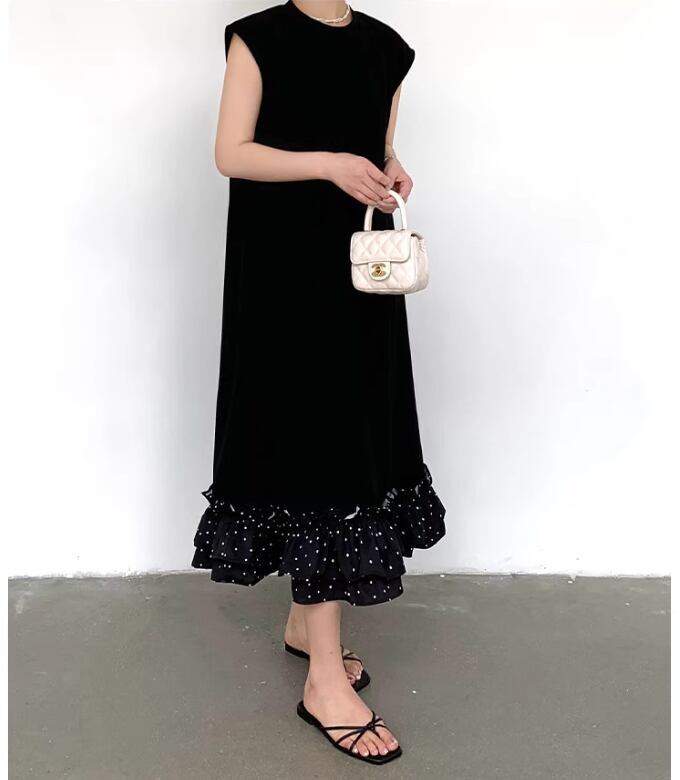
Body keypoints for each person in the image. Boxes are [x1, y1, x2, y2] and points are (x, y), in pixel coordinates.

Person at [191, 0, 446, 764]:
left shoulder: (387, 48)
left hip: (358, 275)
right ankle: (324, 682)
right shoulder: (258, 38)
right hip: (281, 274)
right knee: (316, 449)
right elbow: (231, 153)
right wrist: (330, 164)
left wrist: (389, 166)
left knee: (348, 438)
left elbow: (380, 142)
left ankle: (308, 626)